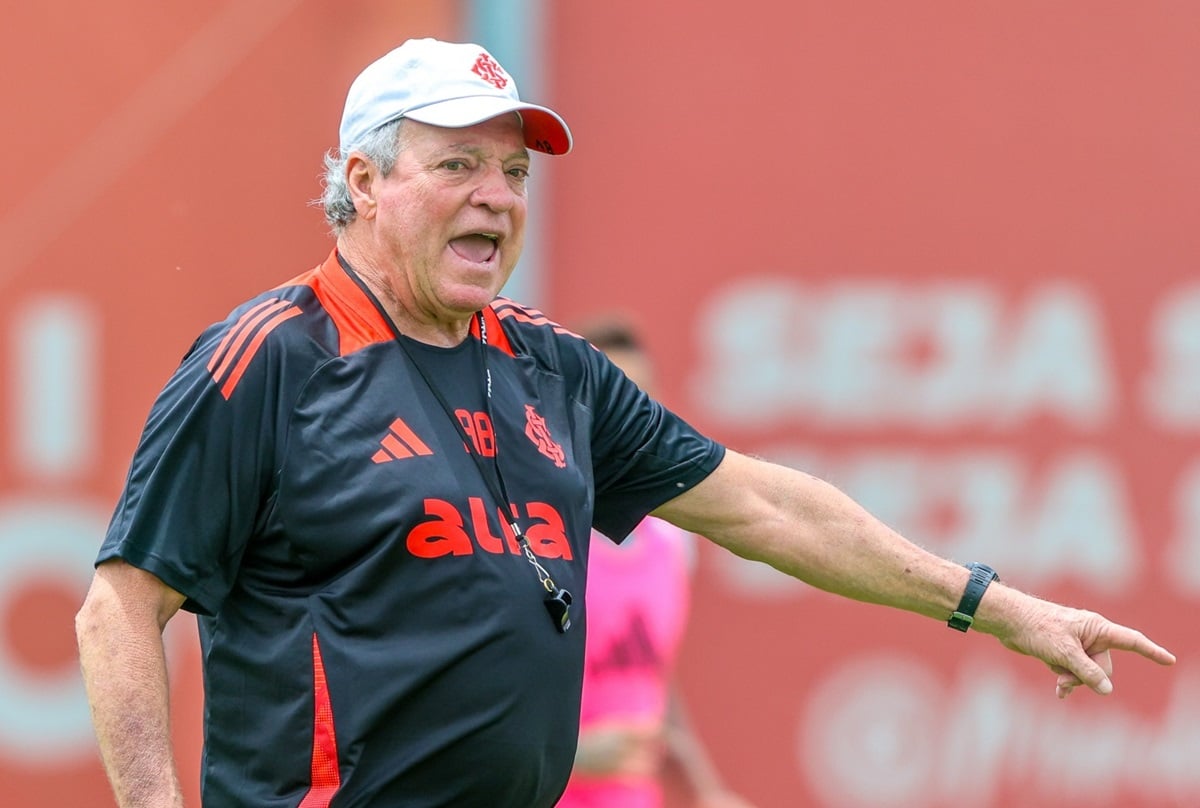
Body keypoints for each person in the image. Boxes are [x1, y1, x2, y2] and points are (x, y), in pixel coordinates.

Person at [74, 37, 1175, 808]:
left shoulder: (555, 368)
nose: (497, 196)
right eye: (457, 165)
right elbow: (119, 610)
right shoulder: (270, 358)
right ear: (363, 180)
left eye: (512, 171)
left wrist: (989, 603)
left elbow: (761, 507)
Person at [559, 318, 755, 808]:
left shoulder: (670, 544)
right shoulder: (532, 539)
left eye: (637, 399)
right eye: (603, 401)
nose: (619, 422)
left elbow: (653, 680)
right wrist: (571, 755)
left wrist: (705, 789)